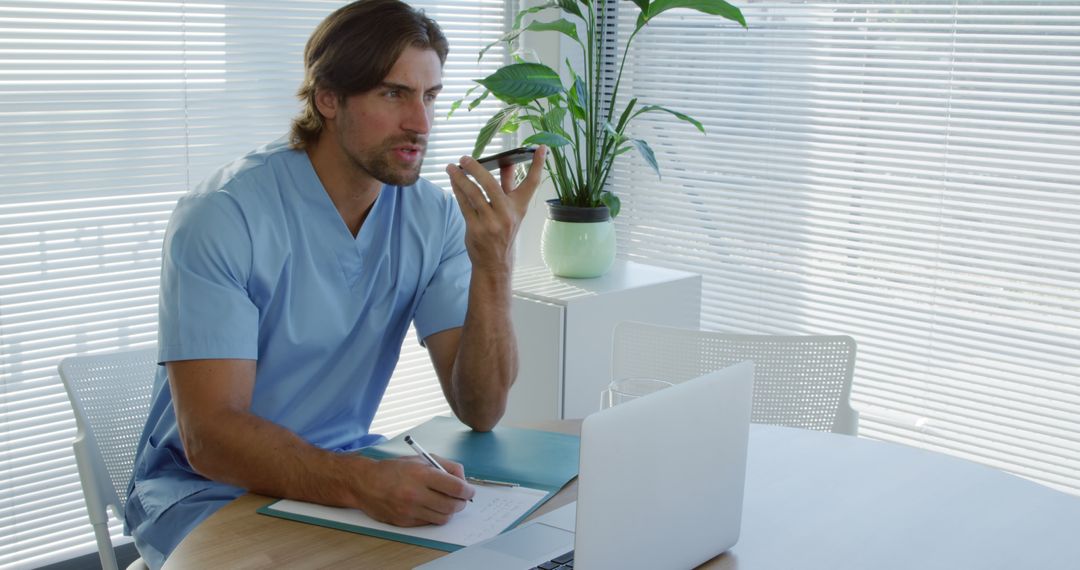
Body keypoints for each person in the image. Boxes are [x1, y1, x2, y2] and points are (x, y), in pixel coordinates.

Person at [124, 1, 546, 567]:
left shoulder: (433, 217)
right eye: (394, 94)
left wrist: (495, 263)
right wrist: (363, 484)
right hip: (207, 493)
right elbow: (211, 439)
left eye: (430, 96)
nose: (421, 124)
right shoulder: (222, 217)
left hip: (341, 472)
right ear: (328, 98)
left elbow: (482, 408)